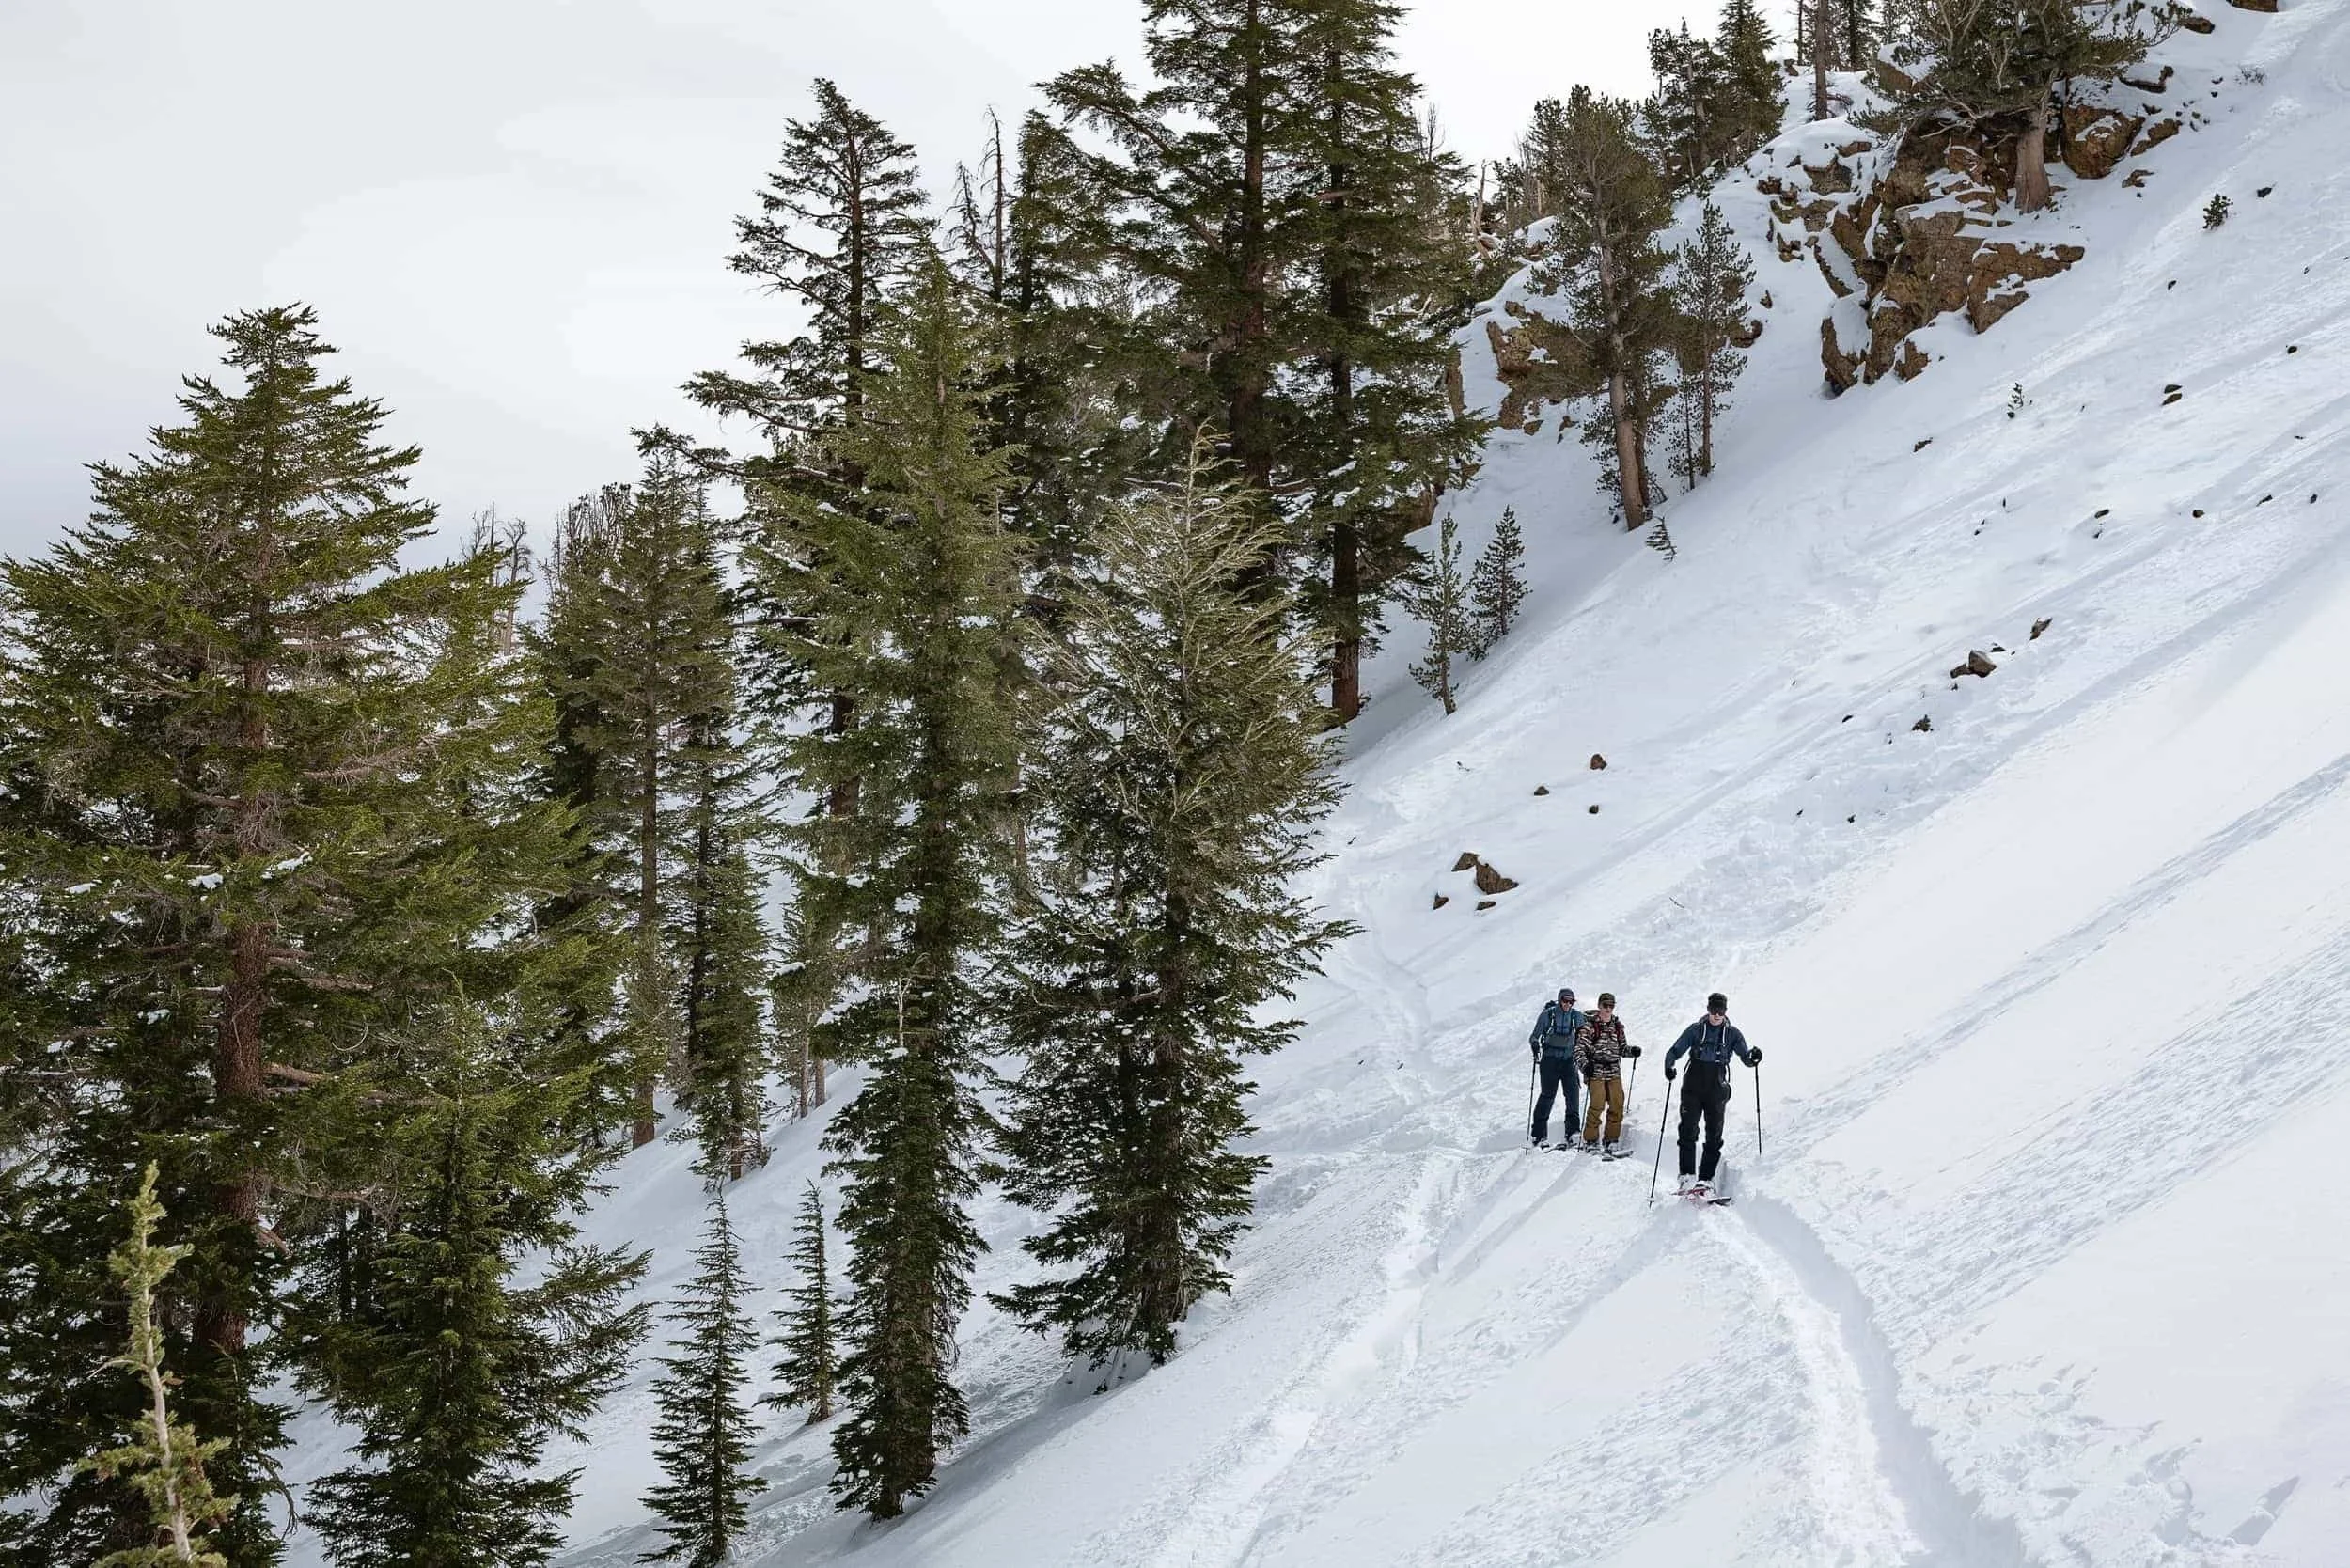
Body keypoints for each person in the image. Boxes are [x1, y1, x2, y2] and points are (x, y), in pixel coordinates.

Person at [1661, 992, 1761, 1196]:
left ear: (1725, 1011)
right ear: (1707, 1009)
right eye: (1713, 1010)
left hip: (1717, 1086)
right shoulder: (1696, 1030)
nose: (1716, 1014)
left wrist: (1754, 1057)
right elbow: (1674, 1051)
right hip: (1693, 1084)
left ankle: (1706, 1179)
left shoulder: (1732, 1034)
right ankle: (1687, 1177)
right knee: (1688, 1130)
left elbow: (1746, 1058)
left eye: (1720, 1010)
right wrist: (1669, 1067)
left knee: (1714, 1134)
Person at [1574, 993, 1639, 1152]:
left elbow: (1622, 1048)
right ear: (1599, 1006)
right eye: (1605, 1005)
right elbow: (1579, 1050)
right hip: (1595, 1071)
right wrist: (1585, 1065)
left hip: (1613, 1070)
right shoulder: (1589, 1027)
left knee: (1617, 1104)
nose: (1608, 1009)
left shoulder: (1617, 1026)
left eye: (1611, 1006)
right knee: (1597, 1105)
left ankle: (1611, 1140)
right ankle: (1590, 1141)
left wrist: (1632, 1051)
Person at [1527, 988, 1583, 1145]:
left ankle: (1572, 1133)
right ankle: (1538, 1135)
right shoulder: (1547, 1015)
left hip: (1569, 1061)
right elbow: (1534, 1036)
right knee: (1547, 1095)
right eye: (1565, 1000)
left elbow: (1583, 1037)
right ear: (1559, 1000)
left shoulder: (1576, 1017)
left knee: (1572, 1095)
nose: (1568, 1004)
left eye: (1571, 1001)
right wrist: (1535, 1045)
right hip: (1549, 1061)